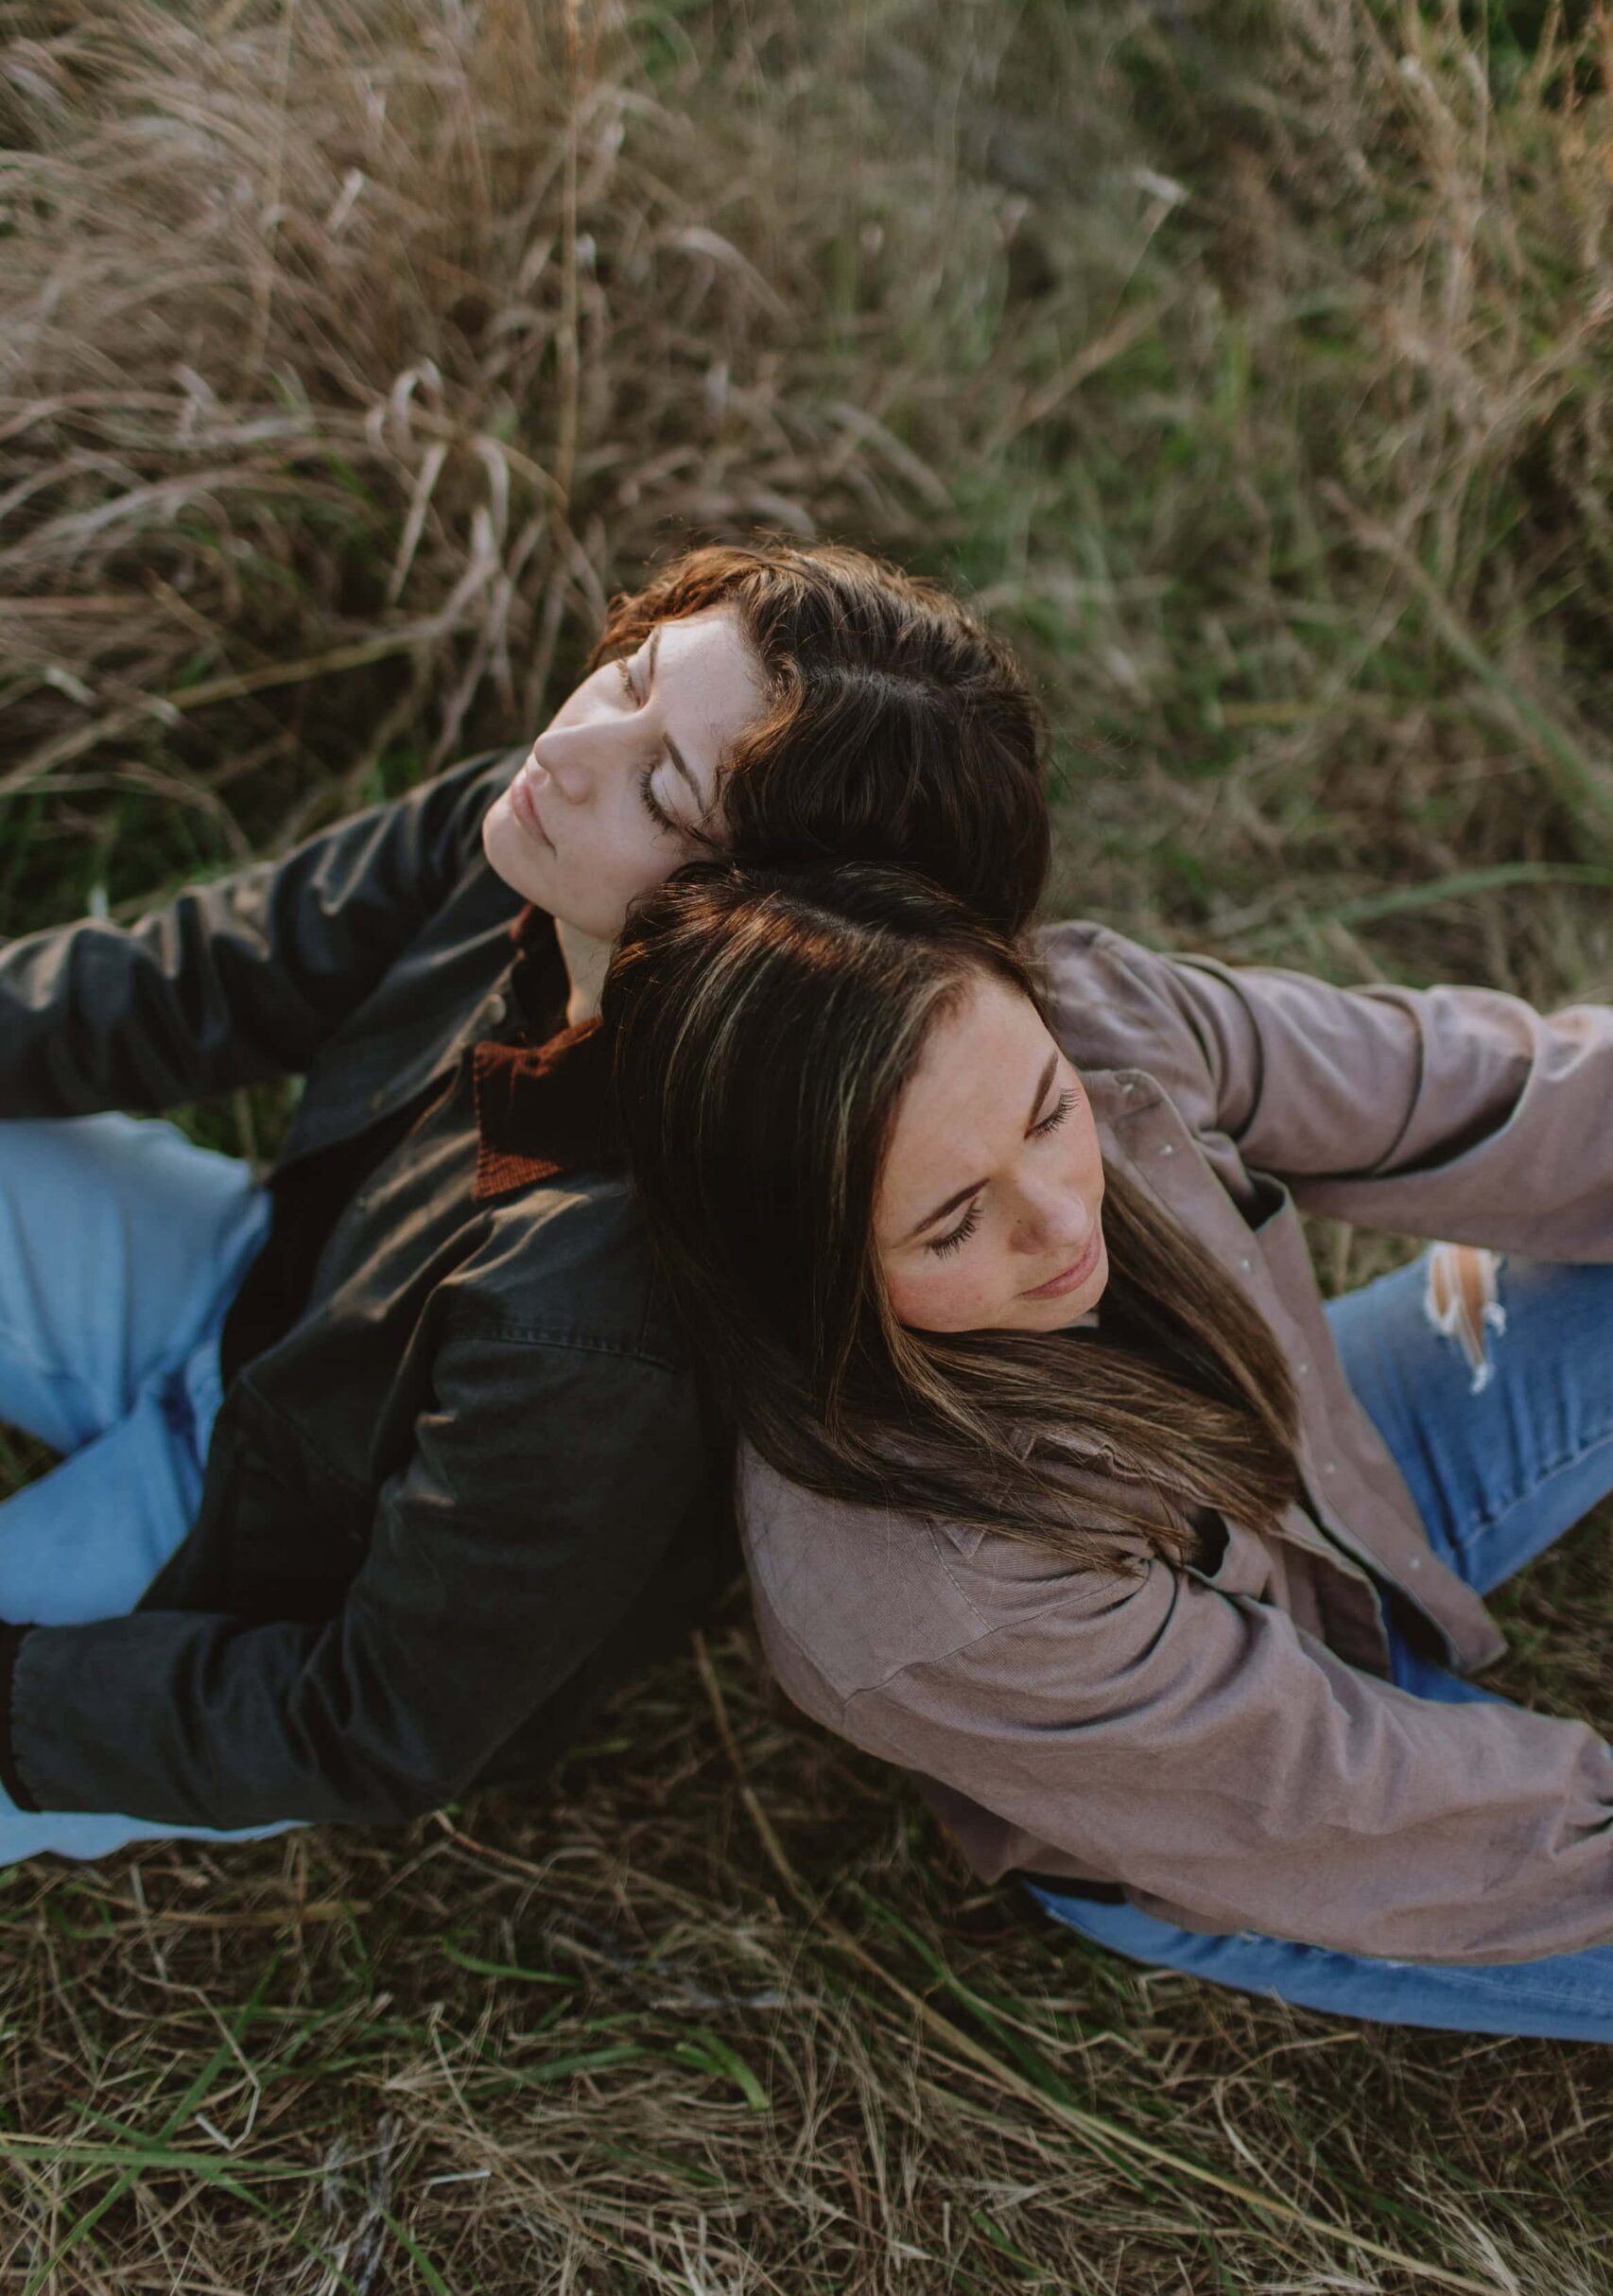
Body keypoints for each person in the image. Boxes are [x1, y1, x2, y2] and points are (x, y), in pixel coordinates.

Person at [0, 543, 1048, 1859]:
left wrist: (22, 1693)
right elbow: (203, 976)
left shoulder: (604, 1326)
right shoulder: (536, 833)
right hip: (243, 1290)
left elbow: (378, 1719)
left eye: (659, 790)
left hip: (261, 1566)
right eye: (631, 677)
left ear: (768, 938)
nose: (573, 749)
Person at [602, 860, 1613, 2040]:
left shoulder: (1103, 1017)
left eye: (1047, 1112)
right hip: (1221, 1812)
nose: (1062, 1218)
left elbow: (1478, 1088)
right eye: (952, 1221)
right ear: (808, 1282)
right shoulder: (927, 1586)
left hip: (1311, 1465)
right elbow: (1343, 1800)